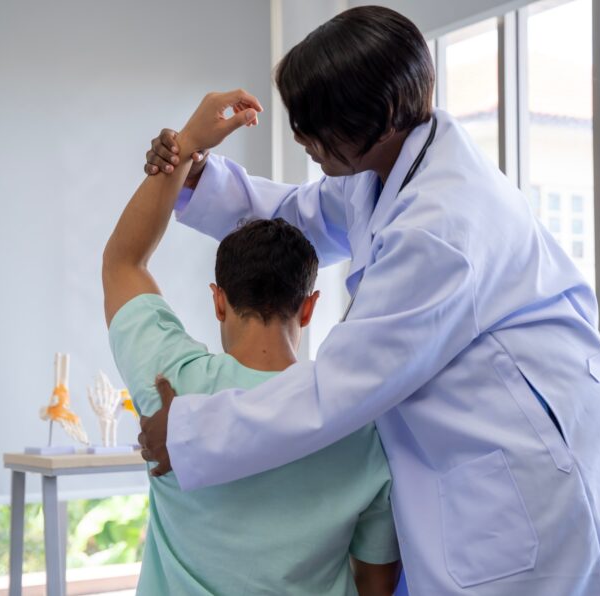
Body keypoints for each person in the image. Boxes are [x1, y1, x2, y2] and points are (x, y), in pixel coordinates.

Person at [138, 5, 600, 595]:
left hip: (540, 466)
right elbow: (299, 215)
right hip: (508, 440)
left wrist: (190, 432)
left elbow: (339, 386)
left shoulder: (439, 226)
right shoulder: (389, 171)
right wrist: (196, 175)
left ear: (381, 116)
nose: (300, 138)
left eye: (316, 124)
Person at [102, 135, 401, 594]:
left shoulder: (171, 386)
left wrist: (183, 148)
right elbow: (376, 583)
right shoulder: (359, 423)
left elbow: (123, 261)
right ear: (309, 307)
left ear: (218, 302)